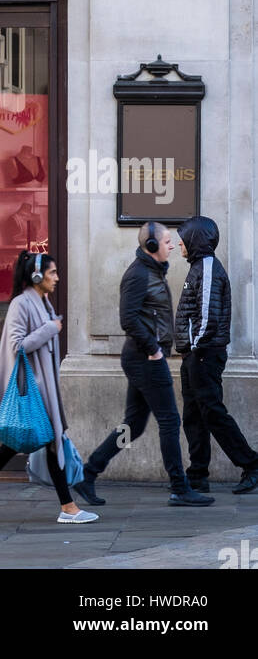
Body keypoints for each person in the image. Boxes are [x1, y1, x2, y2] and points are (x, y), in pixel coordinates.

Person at [75, 222, 214, 508]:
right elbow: (128, 318)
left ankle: (87, 475)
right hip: (145, 358)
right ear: (151, 247)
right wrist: (153, 350)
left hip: (144, 356)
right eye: (166, 241)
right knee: (170, 421)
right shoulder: (138, 275)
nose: (172, 245)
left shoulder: (152, 271)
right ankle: (179, 487)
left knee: (133, 426)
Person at [0, 250, 98, 524]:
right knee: (45, 442)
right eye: (52, 273)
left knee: (34, 444)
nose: (56, 278)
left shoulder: (43, 302)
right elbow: (17, 345)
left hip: (42, 387)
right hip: (31, 388)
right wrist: (50, 329)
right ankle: (67, 508)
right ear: (36, 276)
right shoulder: (21, 304)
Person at [175, 216, 258, 495]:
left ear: (196, 239)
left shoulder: (208, 267)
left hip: (204, 354)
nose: (180, 243)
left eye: (184, 238)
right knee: (194, 415)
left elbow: (207, 316)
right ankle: (197, 475)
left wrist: (195, 347)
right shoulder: (199, 267)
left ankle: (252, 464)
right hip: (194, 354)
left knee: (213, 413)